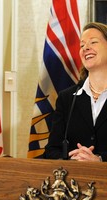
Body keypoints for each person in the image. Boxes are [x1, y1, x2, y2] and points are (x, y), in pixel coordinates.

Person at [44, 22, 107, 162]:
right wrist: (72, 159)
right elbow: (51, 150)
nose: (86, 48)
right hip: (74, 181)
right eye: (82, 45)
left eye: (93, 42)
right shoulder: (66, 98)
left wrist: (100, 160)